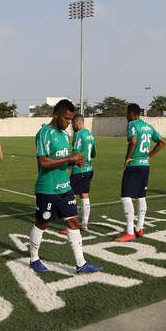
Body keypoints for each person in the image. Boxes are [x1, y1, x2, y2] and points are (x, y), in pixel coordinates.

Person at [27, 99, 101, 274]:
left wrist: (76, 160)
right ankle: (34, 258)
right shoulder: (44, 133)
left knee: (74, 221)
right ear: (56, 114)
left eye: (70, 119)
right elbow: (44, 162)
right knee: (42, 223)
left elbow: (61, 161)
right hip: (47, 189)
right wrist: (69, 159)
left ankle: (81, 264)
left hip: (65, 187)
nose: (68, 123)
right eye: (66, 119)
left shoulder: (64, 135)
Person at [115, 103, 165, 242]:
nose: (126, 116)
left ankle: (130, 231)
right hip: (145, 165)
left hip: (134, 165)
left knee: (126, 197)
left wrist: (127, 158)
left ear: (132, 113)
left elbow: (133, 141)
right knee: (141, 197)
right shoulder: (148, 126)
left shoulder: (132, 124)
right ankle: (140, 227)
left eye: (127, 113)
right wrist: (149, 156)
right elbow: (161, 142)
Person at [68, 114, 96, 233]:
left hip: (79, 170)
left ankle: (72, 225)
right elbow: (94, 153)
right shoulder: (90, 135)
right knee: (84, 196)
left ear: (77, 123)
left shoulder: (78, 134)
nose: (72, 127)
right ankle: (84, 224)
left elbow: (75, 153)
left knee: (71, 196)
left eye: (72, 124)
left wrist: (68, 169)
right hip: (89, 169)